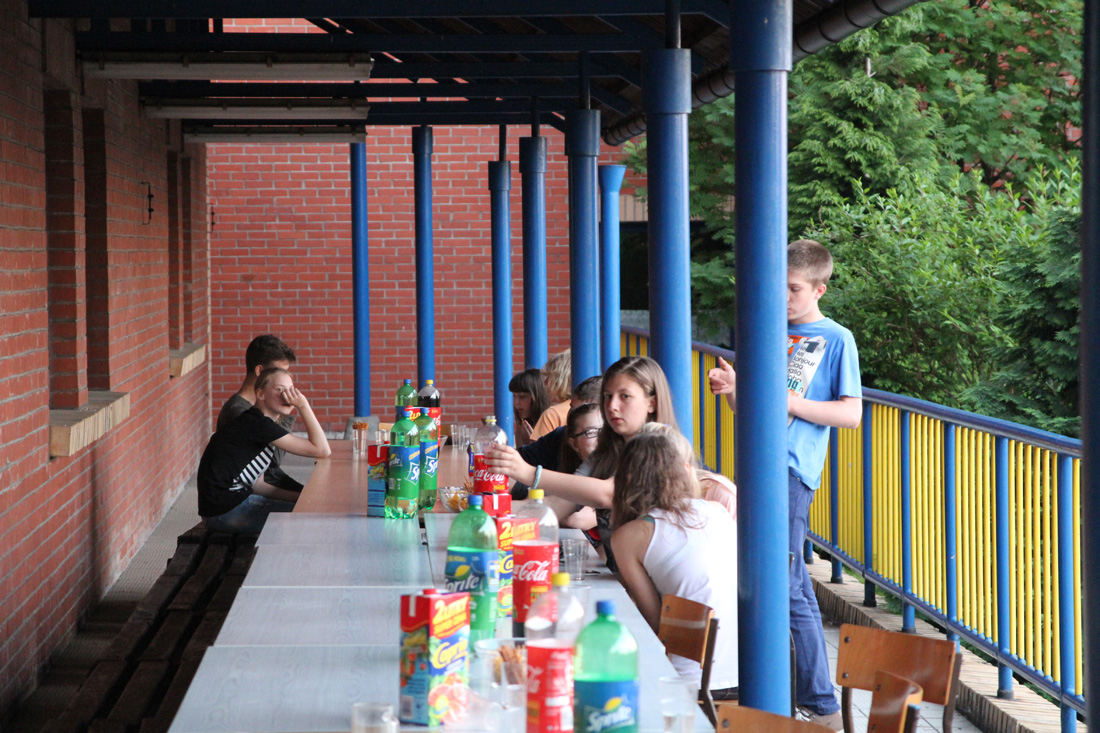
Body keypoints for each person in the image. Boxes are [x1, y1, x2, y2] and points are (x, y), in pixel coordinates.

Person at [708, 238, 861, 730]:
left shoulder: (837, 339)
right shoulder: (767, 333)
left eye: (793, 289)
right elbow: (750, 410)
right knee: (781, 580)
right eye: (779, 287)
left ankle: (821, 705)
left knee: (785, 581)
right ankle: (803, 697)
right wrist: (733, 390)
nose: (784, 297)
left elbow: (851, 414)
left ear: (819, 289)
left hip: (792, 471)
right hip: (757, 465)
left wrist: (788, 402)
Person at [487, 356, 678, 562]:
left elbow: (608, 493)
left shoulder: (661, 444)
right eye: (607, 396)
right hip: (626, 570)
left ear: (652, 403)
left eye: (625, 396)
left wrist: (529, 473)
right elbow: (560, 503)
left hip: (661, 574)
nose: (612, 405)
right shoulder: (605, 452)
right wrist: (483, 511)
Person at [610, 428, 738, 699]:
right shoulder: (718, 510)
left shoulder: (630, 536)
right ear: (684, 471)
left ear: (627, 479)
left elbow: (655, 623)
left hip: (687, 683)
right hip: (748, 676)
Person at [198, 367, 332, 533]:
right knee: (312, 521)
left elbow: (258, 485)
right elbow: (322, 450)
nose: (287, 396)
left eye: (290, 390)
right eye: (279, 390)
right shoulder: (259, 424)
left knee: (311, 510)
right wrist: (303, 405)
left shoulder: (257, 422)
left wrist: (300, 498)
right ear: (260, 394)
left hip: (225, 508)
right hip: (225, 512)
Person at [216, 334, 303, 494]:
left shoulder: (258, 405)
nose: (285, 379)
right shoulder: (239, 412)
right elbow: (275, 460)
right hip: (255, 491)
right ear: (260, 371)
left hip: (272, 481)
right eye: (279, 371)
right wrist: (283, 413)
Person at [530, 349, 571, 440]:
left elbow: (539, 449)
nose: (545, 382)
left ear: (560, 380)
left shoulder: (552, 415)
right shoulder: (594, 408)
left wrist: (526, 443)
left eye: (549, 377)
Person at [509, 368, 550, 447]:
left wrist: (531, 444)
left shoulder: (550, 421)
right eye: (514, 396)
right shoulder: (522, 426)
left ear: (538, 397)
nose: (516, 402)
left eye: (522, 397)